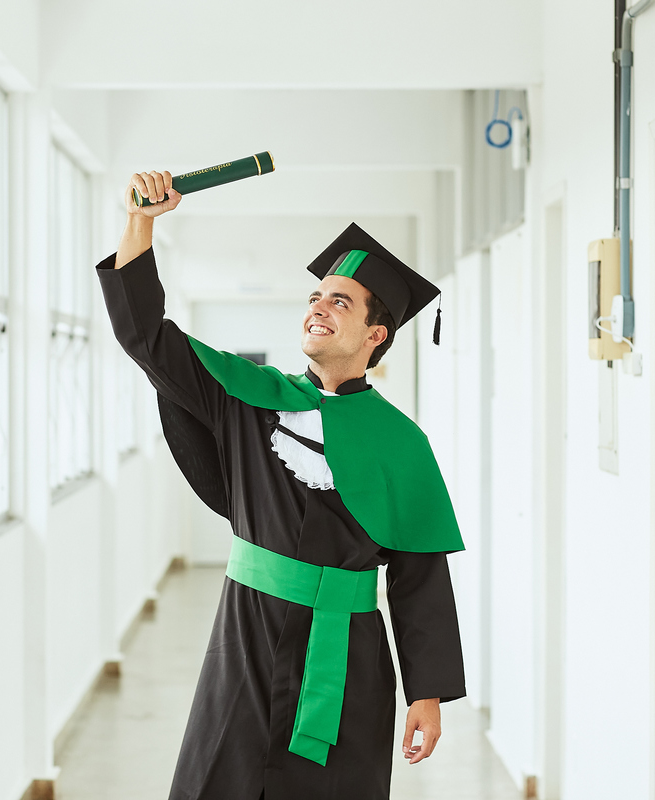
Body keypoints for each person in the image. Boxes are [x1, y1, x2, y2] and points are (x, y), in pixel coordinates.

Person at [96, 169, 466, 800]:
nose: (319, 307)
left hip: (348, 657)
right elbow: (146, 336)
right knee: (221, 780)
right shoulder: (248, 397)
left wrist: (425, 694)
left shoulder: (402, 443)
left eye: (340, 302)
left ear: (375, 335)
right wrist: (140, 224)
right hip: (245, 638)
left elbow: (420, 575)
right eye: (316, 297)